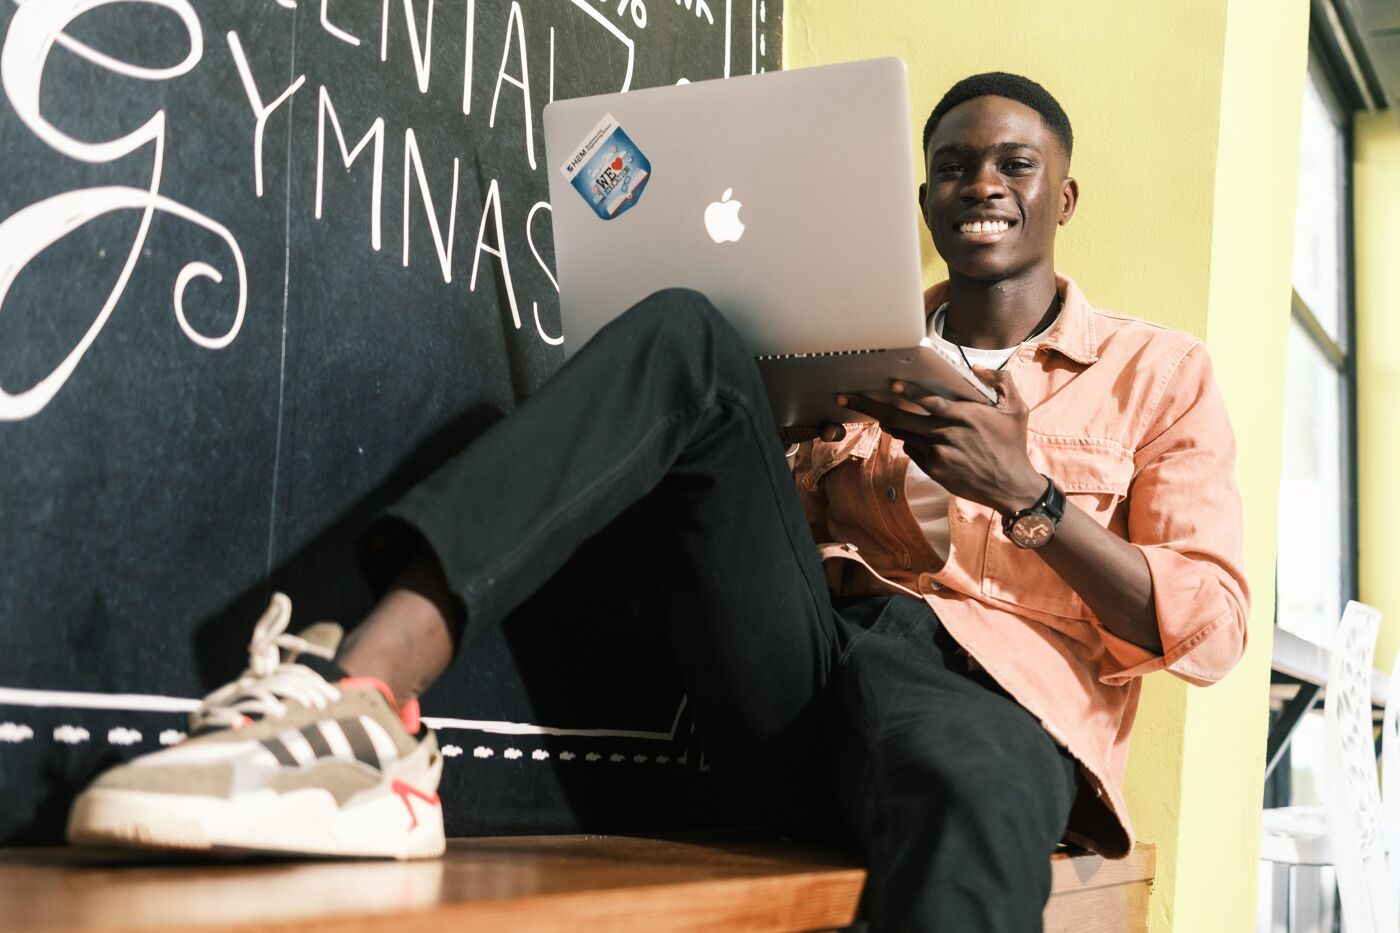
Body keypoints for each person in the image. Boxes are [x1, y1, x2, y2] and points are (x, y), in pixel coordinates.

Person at [66, 72, 1249, 932]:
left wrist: (1031, 498)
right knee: (692, 327)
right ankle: (367, 701)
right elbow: (732, 544)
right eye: (951, 164)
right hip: (790, 677)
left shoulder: (1159, 373)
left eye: (1012, 164)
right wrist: (793, 444)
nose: (978, 183)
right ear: (925, 195)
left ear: (1065, 196)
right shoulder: (854, 331)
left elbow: (1205, 626)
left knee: (974, 793)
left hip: (979, 702)